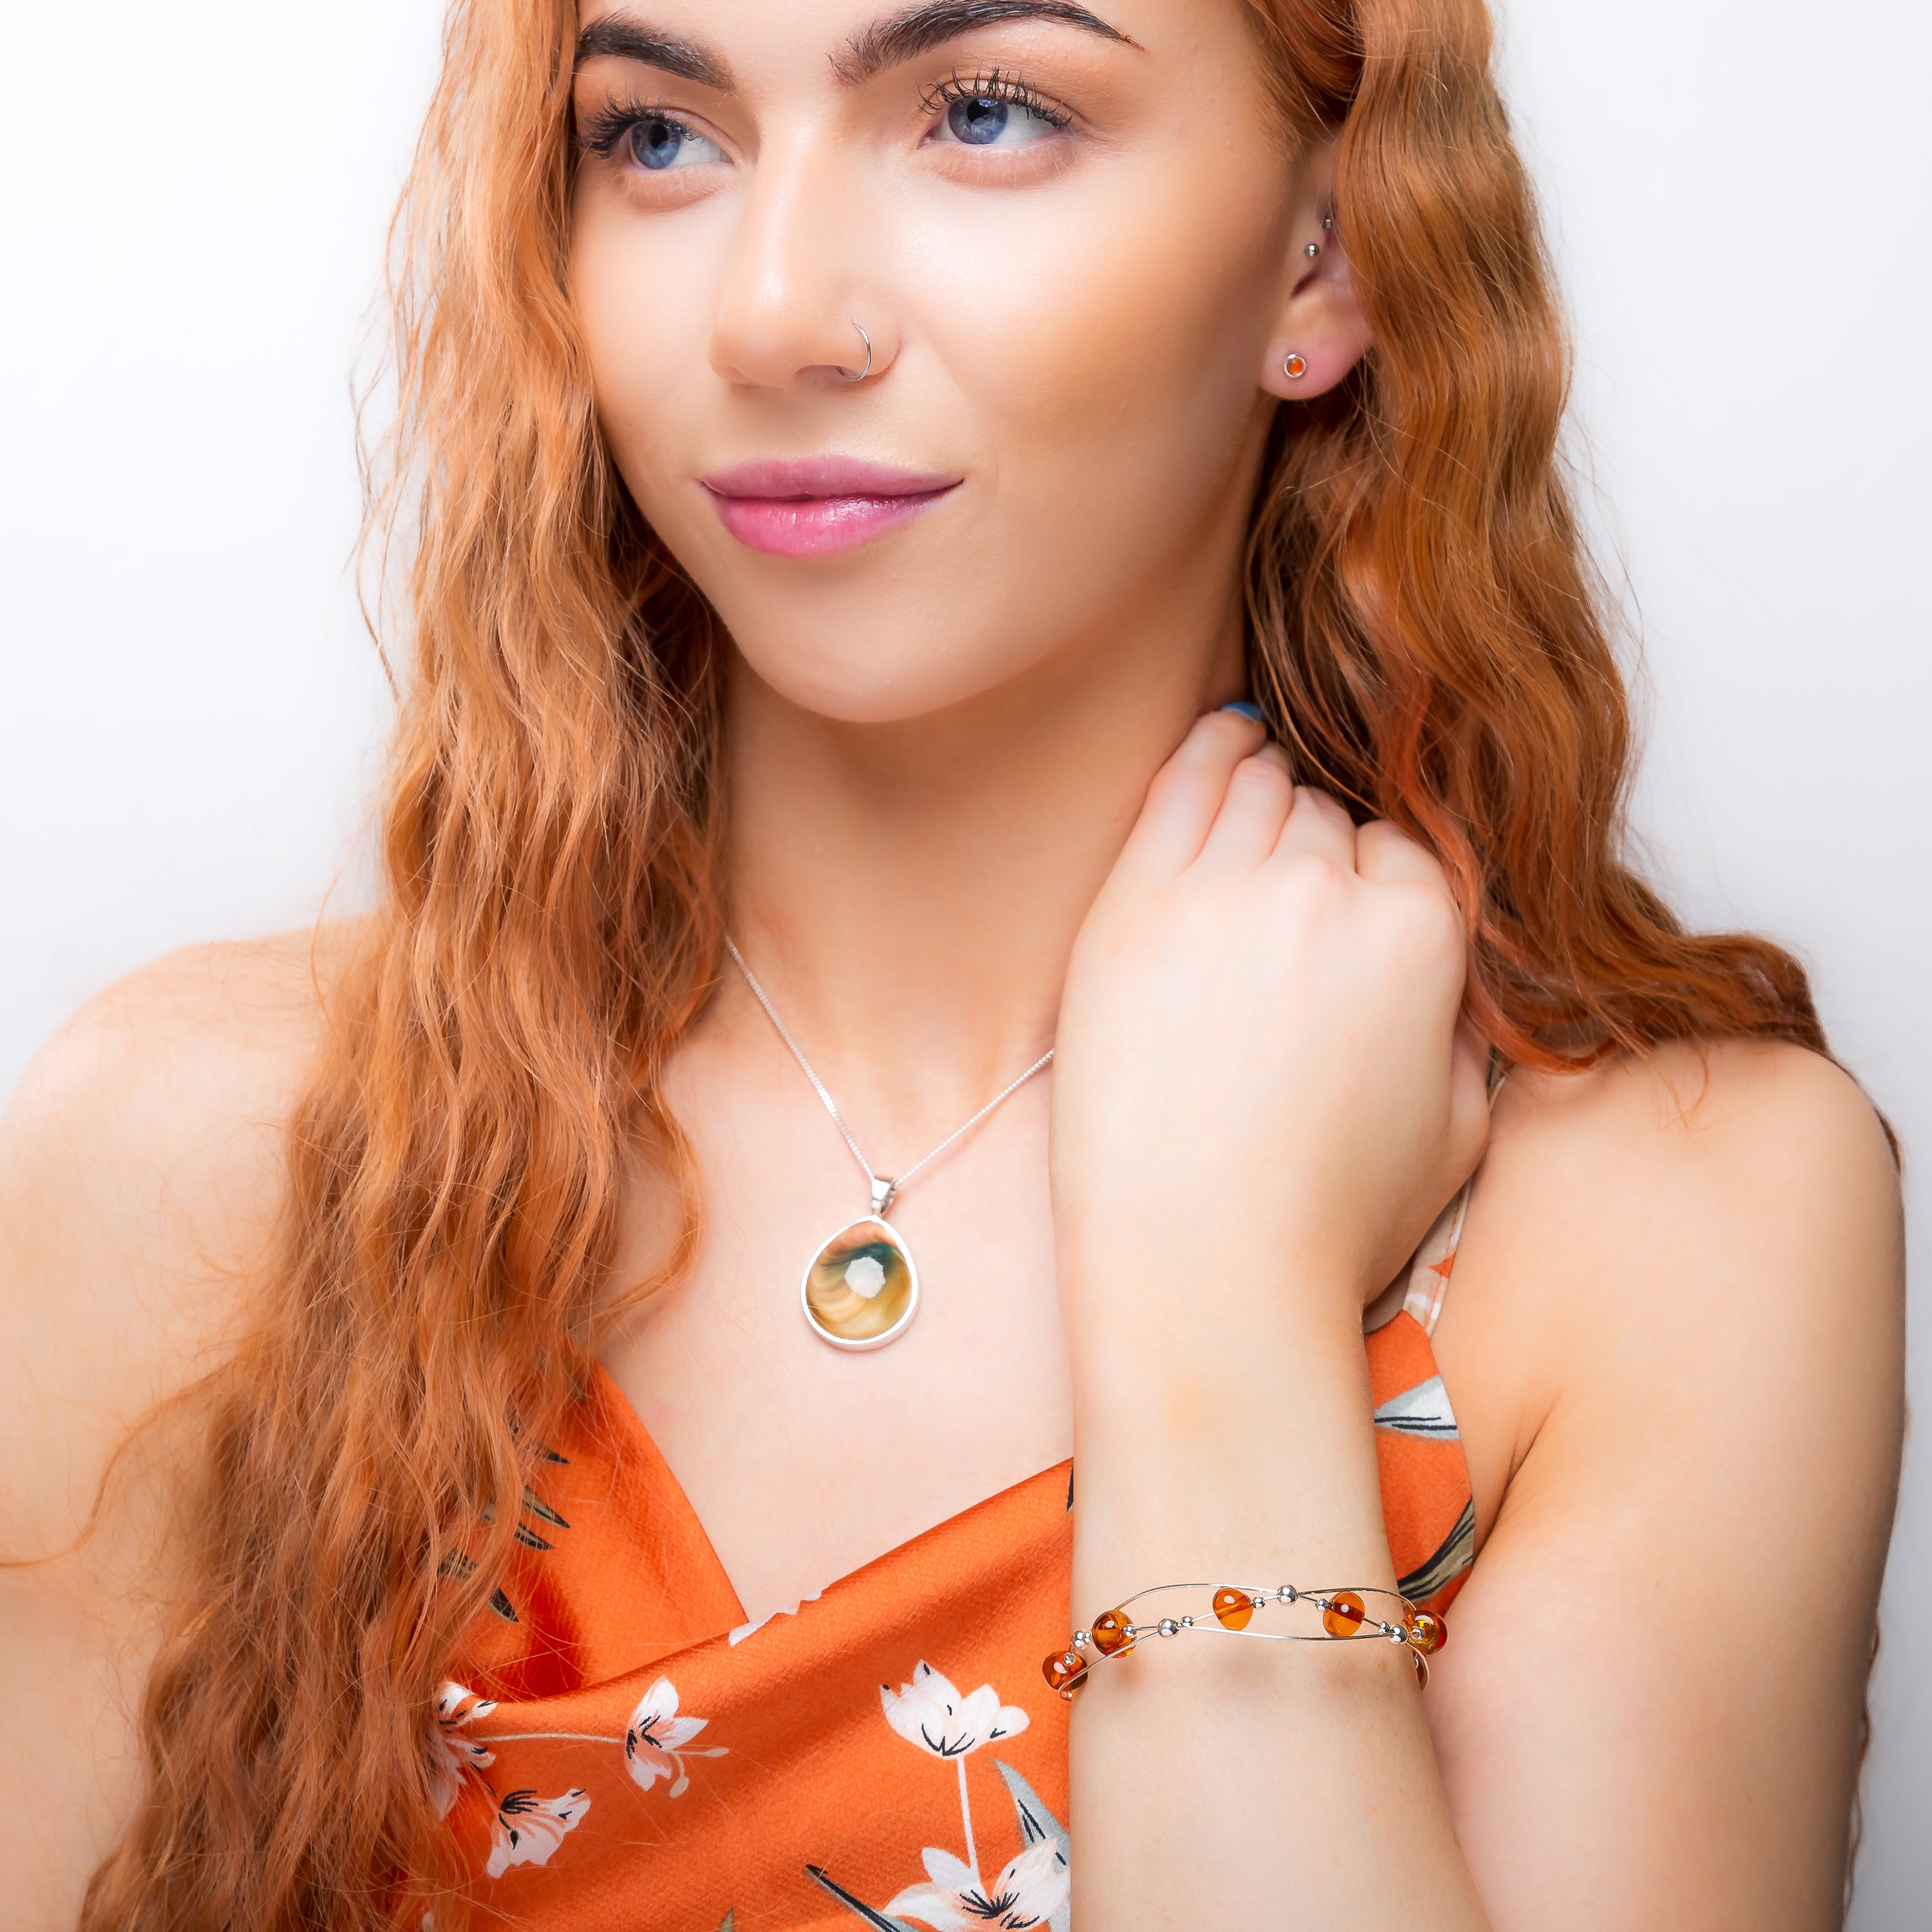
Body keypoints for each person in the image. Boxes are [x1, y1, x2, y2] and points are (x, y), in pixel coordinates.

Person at [0, 0, 1904, 1926]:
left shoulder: (1675, 1227)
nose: (770, 314)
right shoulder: (203, 1163)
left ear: (1329, 253)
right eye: (658, 136)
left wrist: (1221, 1303)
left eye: (985, 113)